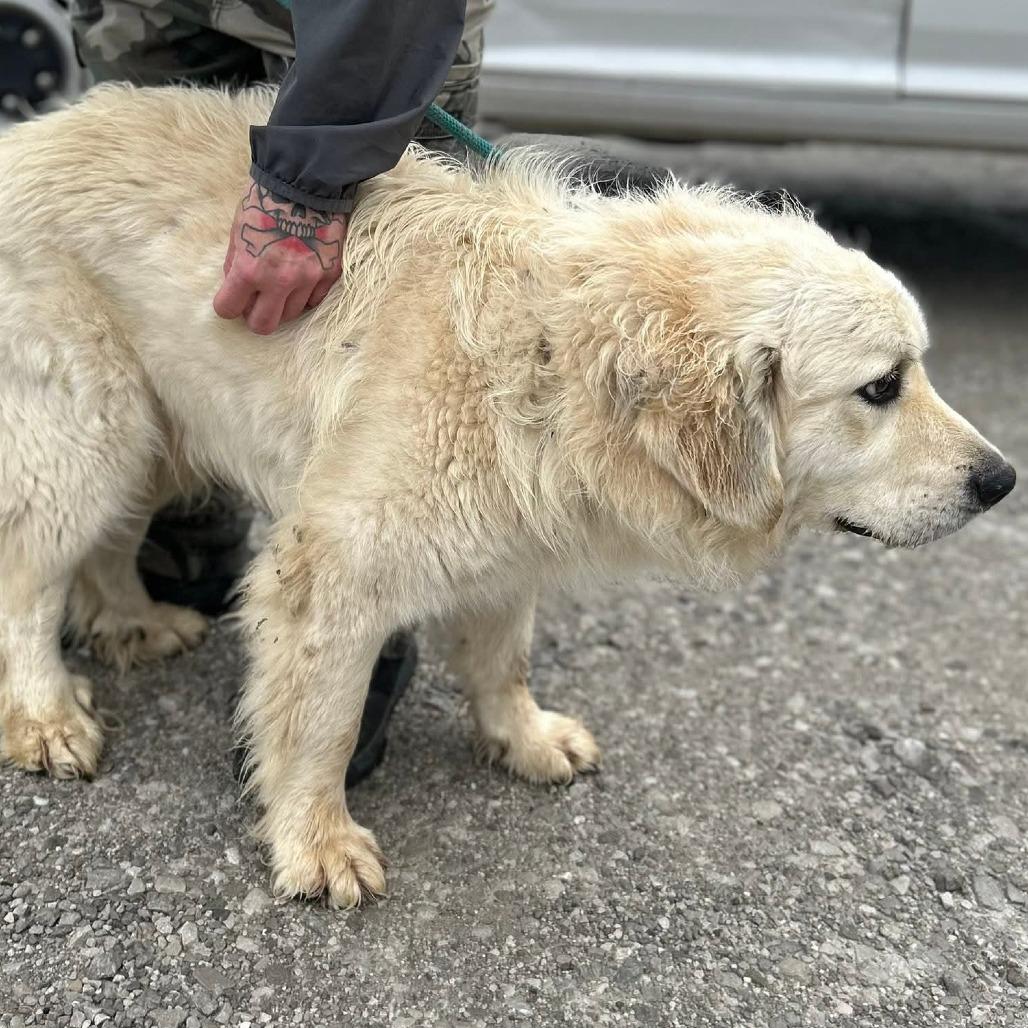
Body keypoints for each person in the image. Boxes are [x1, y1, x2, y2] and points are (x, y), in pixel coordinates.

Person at [69, 0, 496, 784]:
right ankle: (178, 537)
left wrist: (308, 183)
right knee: (175, 292)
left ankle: (355, 630)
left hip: (362, 35)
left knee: (408, 368)